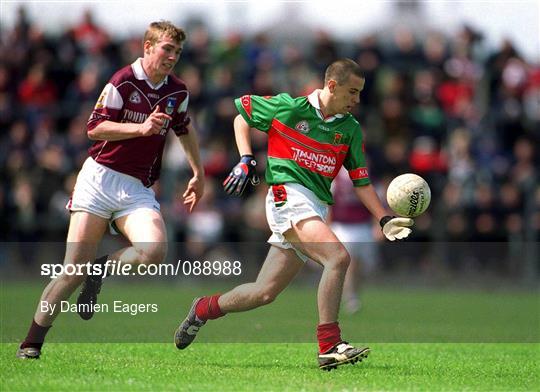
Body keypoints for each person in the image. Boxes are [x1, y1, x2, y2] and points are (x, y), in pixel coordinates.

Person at [174, 58, 413, 370]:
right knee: (338, 258)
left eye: (359, 93)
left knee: (264, 293)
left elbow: (361, 182)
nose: (357, 100)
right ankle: (329, 345)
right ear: (332, 86)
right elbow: (241, 118)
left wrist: (383, 218)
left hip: (314, 209)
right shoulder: (289, 107)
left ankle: (203, 308)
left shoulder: (350, 130)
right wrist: (246, 158)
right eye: (352, 92)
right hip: (286, 197)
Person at [17, 20, 205, 359]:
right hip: (99, 180)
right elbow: (94, 128)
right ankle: (31, 342)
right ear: (148, 47)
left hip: (136, 188)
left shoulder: (177, 91)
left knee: (154, 251)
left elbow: (184, 128)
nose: (173, 56)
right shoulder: (123, 80)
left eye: (177, 51)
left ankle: (100, 269)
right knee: (71, 271)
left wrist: (198, 171)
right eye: (167, 48)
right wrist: (141, 128)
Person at [330, 168, 379, 314]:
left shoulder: (367, 174)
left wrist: (378, 224)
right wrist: (327, 225)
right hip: (342, 226)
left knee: (363, 267)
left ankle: (354, 293)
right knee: (349, 262)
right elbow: (328, 201)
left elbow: (376, 199)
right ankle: (350, 297)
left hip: (363, 226)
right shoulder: (335, 176)